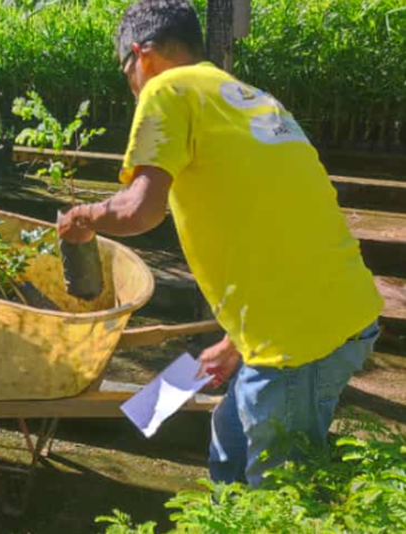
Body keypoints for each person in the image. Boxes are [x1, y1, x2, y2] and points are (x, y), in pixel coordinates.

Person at [57, 0, 383, 486]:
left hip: (298, 343)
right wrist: (234, 345)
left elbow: (140, 211)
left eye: (124, 67)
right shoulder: (252, 98)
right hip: (340, 314)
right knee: (229, 441)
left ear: (141, 55)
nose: (129, 82)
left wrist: (81, 217)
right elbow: (277, 228)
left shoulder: (166, 87)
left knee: (275, 493)